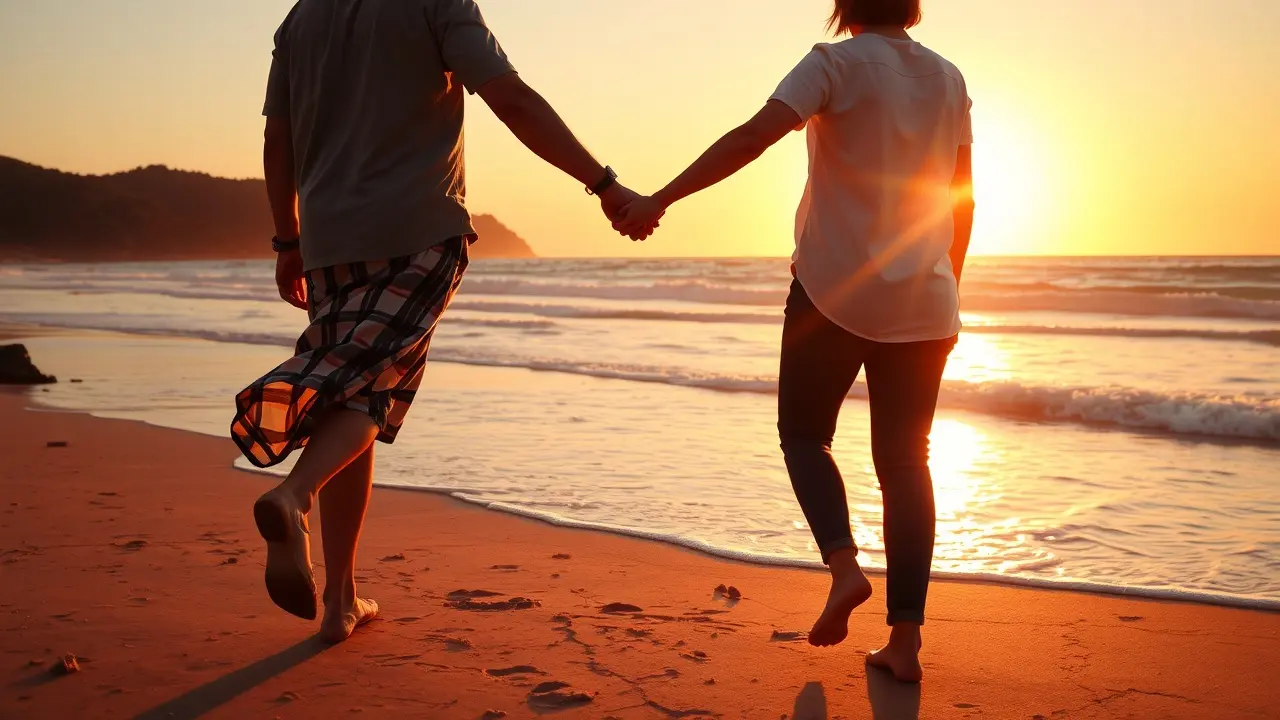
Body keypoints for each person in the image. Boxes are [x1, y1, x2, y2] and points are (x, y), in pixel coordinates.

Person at [231, 0, 651, 645]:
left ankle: (341, 598)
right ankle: (295, 495)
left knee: (361, 389)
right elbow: (507, 95)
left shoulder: (301, 19)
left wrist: (288, 241)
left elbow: (276, 138)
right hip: (420, 230)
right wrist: (602, 182)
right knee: (371, 394)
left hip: (327, 241)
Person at [616, 0, 975, 682]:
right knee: (906, 463)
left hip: (832, 289)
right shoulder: (949, 78)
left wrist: (661, 197)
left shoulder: (831, 64)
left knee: (805, 436)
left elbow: (752, 139)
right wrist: (948, 288)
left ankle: (843, 567)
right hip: (926, 299)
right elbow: (964, 198)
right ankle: (905, 644)